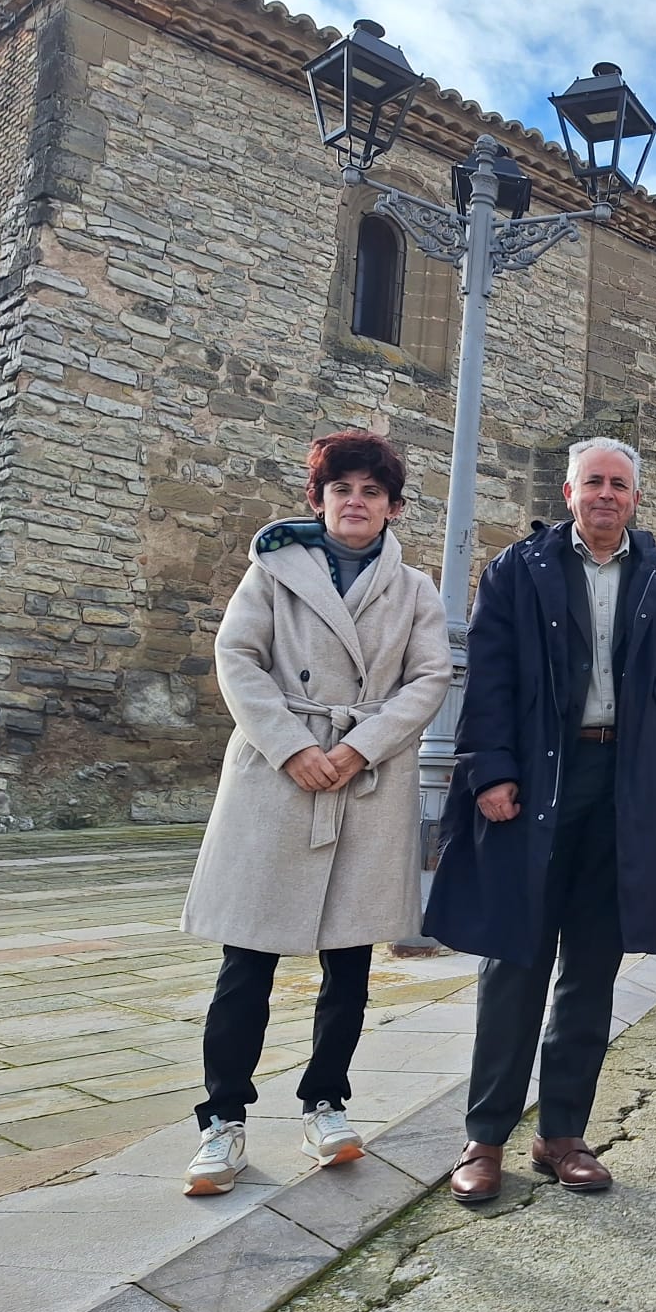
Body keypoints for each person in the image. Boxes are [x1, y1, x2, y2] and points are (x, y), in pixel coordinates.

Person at [424, 437, 656, 1201]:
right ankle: (484, 1140)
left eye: (620, 483)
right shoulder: (519, 570)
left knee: (593, 964)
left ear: (636, 498)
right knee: (513, 962)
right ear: (569, 491)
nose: (607, 494)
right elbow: (488, 677)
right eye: (594, 482)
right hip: (538, 778)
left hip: (626, 784)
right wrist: (491, 769)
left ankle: (562, 1135)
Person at [178, 430, 452, 1196]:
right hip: (277, 776)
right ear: (318, 500)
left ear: (393, 507)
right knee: (247, 962)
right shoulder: (270, 570)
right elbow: (237, 659)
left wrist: (360, 747)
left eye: (371, 491)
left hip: (364, 779)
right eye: (342, 490)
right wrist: (292, 746)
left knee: (350, 963)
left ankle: (325, 1102)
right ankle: (222, 1120)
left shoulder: (416, 590)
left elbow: (428, 678)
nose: (355, 503)